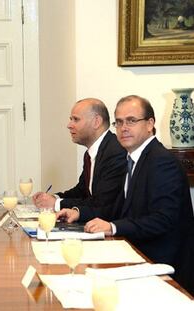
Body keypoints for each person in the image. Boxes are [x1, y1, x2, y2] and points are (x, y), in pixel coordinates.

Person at [56, 95, 194, 267]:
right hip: (136, 253)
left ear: (150, 124)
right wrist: (79, 213)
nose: (123, 128)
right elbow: (119, 208)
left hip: (162, 263)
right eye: (119, 122)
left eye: (131, 121)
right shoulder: (133, 158)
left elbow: (162, 219)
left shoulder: (161, 161)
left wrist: (113, 227)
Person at [33, 98, 126, 215]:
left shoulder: (115, 152)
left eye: (75, 119)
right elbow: (82, 191)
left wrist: (56, 204)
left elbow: (102, 204)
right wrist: (53, 198)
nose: (69, 125)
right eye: (70, 119)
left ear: (96, 122)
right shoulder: (91, 153)